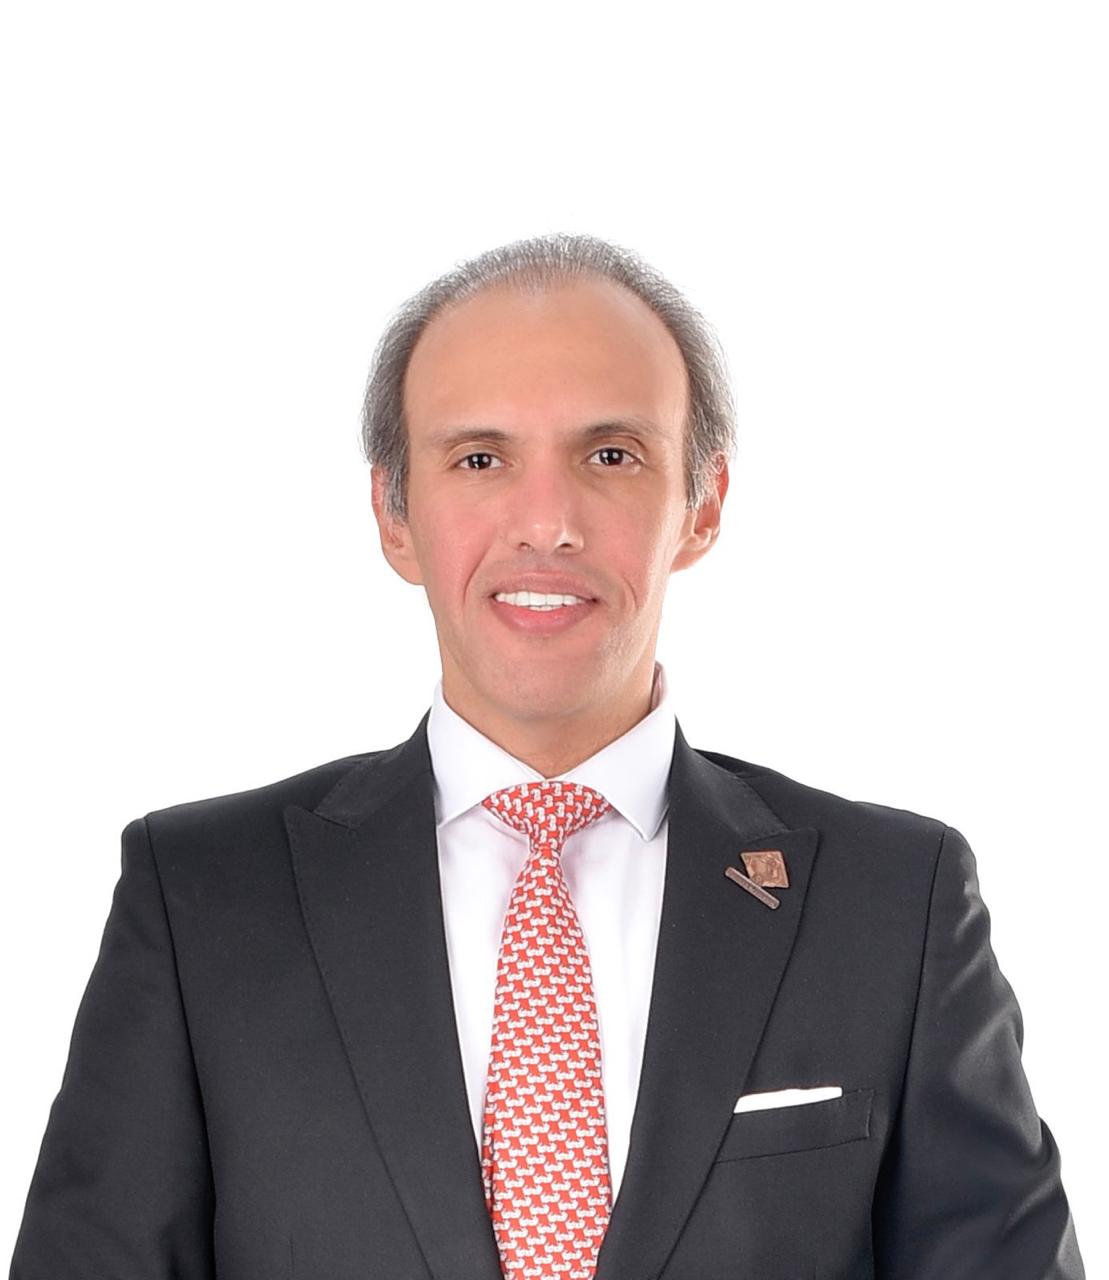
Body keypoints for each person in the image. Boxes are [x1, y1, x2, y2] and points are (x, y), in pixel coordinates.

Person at [9, 232, 1085, 1279]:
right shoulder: (202, 897)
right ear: (393, 514)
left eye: (609, 456)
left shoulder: (890, 902)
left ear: (701, 504)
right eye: (479, 459)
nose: (546, 523)